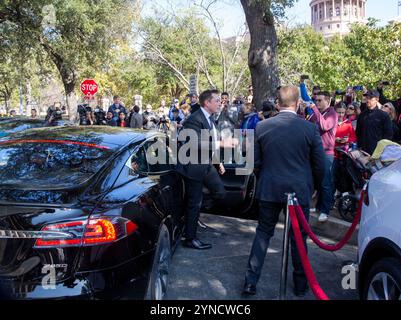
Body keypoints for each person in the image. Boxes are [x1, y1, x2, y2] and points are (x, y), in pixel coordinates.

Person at [243, 85, 326, 297]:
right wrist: (314, 187)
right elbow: (319, 165)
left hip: (270, 188)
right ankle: (300, 284)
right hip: (299, 189)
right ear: (297, 104)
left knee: (263, 234)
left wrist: (266, 180)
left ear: (277, 104)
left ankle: (250, 282)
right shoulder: (308, 128)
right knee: (298, 239)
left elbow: (255, 163)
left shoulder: (262, 127)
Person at [176, 89, 238, 250]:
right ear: (207, 103)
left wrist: (218, 163)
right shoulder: (194, 119)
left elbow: (209, 143)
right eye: (217, 100)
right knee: (194, 203)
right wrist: (222, 144)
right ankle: (190, 238)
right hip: (193, 167)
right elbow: (193, 144)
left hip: (207, 164)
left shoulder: (210, 119)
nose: (220, 103)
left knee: (220, 194)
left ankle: (190, 215)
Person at [308, 91, 338, 222]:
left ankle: (325, 210)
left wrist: (314, 109)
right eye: (316, 100)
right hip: (315, 152)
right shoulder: (316, 114)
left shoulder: (332, 113)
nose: (317, 103)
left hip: (326, 153)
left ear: (328, 101)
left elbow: (324, 125)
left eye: (320, 100)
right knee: (316, 181)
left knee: (326, 182)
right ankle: (318, 205)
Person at [356, 90, 393, 155]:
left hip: (378, 152)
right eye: (367, 97)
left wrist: (381, 150)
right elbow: (358, 133)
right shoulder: (362, 115)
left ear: (377, 99)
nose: (367, 100)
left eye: (370, 98)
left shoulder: (384, 115)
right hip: (362, 151)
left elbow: (388, 135)